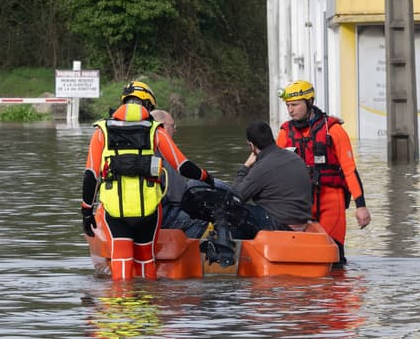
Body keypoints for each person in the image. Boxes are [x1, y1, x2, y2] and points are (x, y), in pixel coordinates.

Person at [80, 81, 215, 280]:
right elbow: (183, 166)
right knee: (145, 261)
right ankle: (148, 306)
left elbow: (91, 175)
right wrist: (206, 177)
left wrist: (86, 211)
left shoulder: (102, 132)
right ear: (147, 105)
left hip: (116, 211)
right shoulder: (155, 131)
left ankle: (121, 305)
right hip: (149, 211)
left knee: (122, 261)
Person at [276, 80, 371, 266]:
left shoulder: (333, 130)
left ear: (309, 102)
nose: (290, 110)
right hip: (299, 202)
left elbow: (349, 170)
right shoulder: (285, 133)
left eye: (295, 105)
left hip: (330, 200)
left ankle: (336, 292)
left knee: (334, 258)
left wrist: (360, 206)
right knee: (297, 258)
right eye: (288, 106)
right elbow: (272, 168)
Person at [228, 120, 313, 239]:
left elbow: (236, 196)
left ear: (251, 146)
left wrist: (245, 166)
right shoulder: (294, 157)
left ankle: (231, 254)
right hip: (301, 221)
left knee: (230, 211)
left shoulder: (262, 167)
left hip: (280, 224)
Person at [150, 109, 209, 238]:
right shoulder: (166, 154)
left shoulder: (144, 149)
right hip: (161, 217)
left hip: (143, 216)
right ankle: (185, 252)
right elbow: (179, 196)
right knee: (202, 217)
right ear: (162, 127)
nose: (175, 130)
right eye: (173, 126)